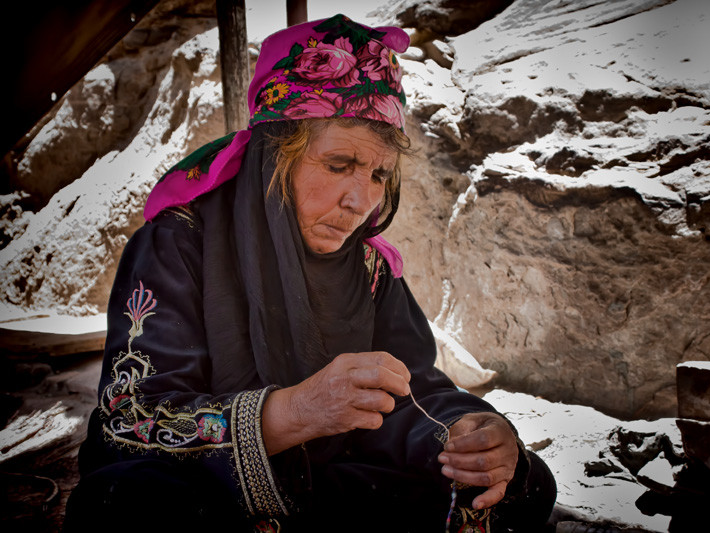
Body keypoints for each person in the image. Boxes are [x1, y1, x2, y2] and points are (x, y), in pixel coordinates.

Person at [64, 14, 556, 533]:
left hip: (328, 486)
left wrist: (467, 433)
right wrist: (295, 412)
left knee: (521, 482)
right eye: (340, 163)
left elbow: (414, 392)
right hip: (213, 493)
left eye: (379, 174)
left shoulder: (368, 268)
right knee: (126, 506)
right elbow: (132, 418)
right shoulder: (179, 243)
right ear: (276, 152)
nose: (360, 200)